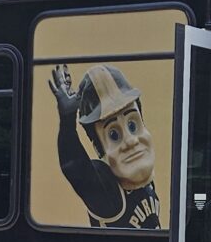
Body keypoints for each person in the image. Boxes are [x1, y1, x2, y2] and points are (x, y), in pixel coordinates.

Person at [49, 63, 160, 228]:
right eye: (114, 135)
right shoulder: (108, 193)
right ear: (98, 148)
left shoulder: (144, 177)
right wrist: (67, 121)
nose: (131, 141)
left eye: (132, 125)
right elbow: (75, 167)